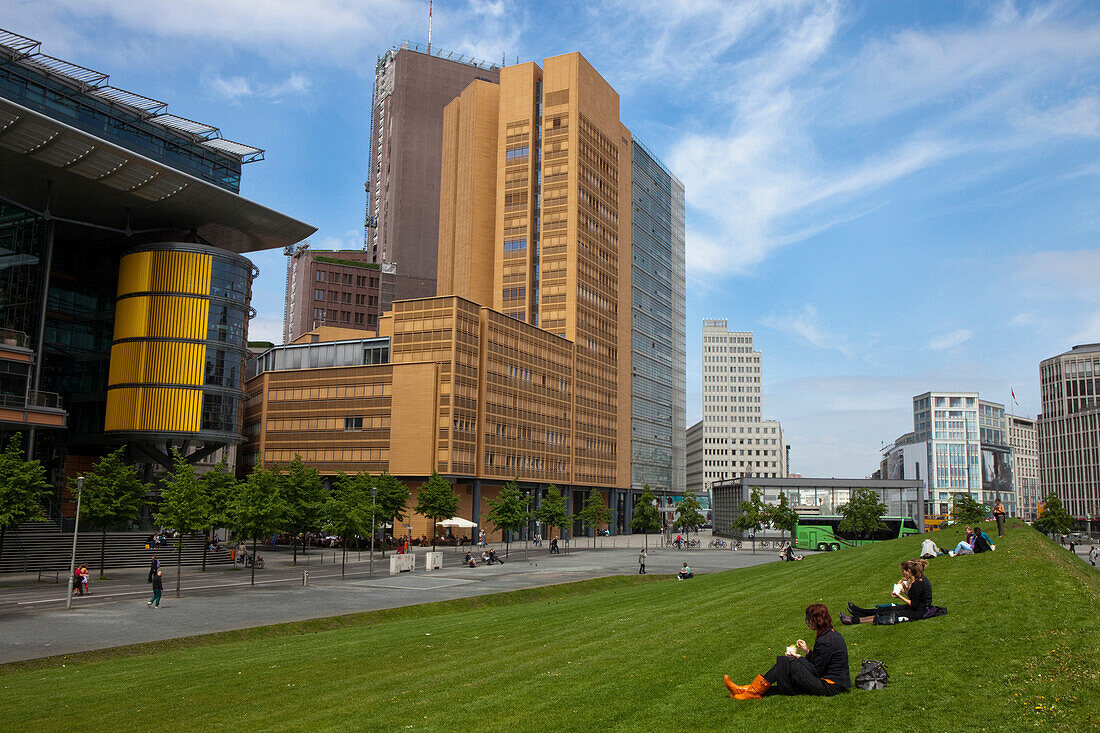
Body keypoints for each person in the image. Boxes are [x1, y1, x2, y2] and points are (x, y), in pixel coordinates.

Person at [723, 603, 849, 699]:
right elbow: (822, 661)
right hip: (830, 683)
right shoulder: (829, 634)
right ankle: (746, 690)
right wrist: (807, 651)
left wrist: (798, 658)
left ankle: (752, 691)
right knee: (787, 665)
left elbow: (817, 670)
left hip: (830, 686)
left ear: (816, 621)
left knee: (787, 661)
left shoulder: (826, 640)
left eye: (808, 619)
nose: (806, 622)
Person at [841, 559, 943, 625]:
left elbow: (914, 604)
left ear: (909, 572)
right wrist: (905, 588)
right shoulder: (918, 580)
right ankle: (859, 611)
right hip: (916, 608)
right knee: (887, 608)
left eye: (904, 571)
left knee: (888, 614)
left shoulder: (919, 583)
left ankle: (853, 620)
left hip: (919, 612)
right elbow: (913, 598)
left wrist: (900, 596)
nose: (903, 573)